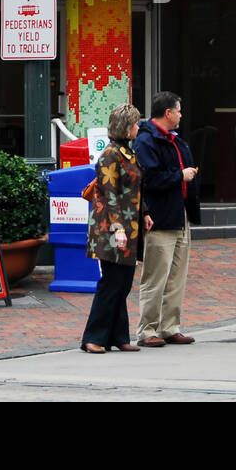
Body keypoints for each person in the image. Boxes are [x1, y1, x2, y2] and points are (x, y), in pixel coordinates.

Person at [80, 103, 152, 354]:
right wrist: (118, 229)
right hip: (110, 229)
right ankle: (94, 337)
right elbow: (109, 194)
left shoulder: (127, 153)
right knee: (111, 283)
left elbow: (134, 189)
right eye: (134, 123)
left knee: (122, 284)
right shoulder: (111, 155)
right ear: (126, 127)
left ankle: (118, 336)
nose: (138, 127)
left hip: (128, 226)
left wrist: (144, 214)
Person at [133, 91, 199, 347]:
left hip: (179, 214)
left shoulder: (174, 141)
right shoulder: (147, 141)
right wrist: (180, 176)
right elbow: (149, 178)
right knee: (156, 275)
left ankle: (169, 326)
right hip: (159, 217)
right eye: (179, 110)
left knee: (176, 275)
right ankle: (147, 329)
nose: (181, 115)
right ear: (168, 113)